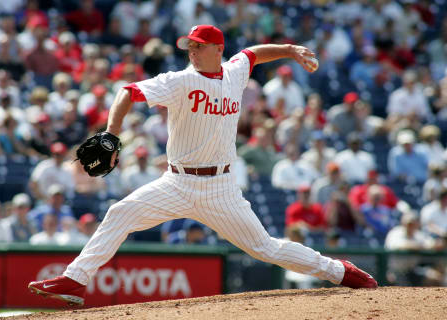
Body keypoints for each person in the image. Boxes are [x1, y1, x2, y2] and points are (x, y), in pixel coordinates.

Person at [28, 24, 377, 306]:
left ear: (217, 50)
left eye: (198, 46)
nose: (191, 51)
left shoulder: (235, 72)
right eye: (190, 46)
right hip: (176, 183)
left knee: (265, 248)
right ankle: (75, 280)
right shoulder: (180, 80)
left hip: (220, 188)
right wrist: (111, 134)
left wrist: (290, 49)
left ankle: (340, 271)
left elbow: (253, 54)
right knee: (120, 213)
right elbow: (127, 91)